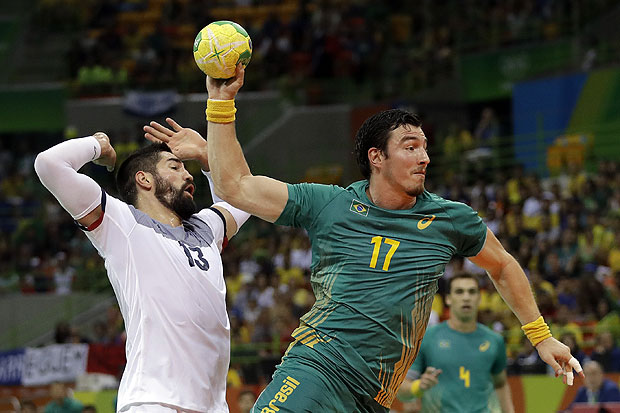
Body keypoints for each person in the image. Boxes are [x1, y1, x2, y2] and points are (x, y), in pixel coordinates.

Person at [144, 65, 583, 413]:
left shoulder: (452, 220)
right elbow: (238, 186)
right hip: (319, 368)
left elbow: (502, 264)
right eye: (410, 146)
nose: (424, 156)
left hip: (375, 398)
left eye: (425, 146)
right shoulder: (328, 204)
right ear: (377, 157)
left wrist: (541, 336)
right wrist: (221, 104)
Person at [34, 128, 250, 412]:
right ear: (144, 179)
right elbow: (49, 165)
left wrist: (208, 155)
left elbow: (245, 196)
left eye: (187, 167)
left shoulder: (205, 229)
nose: (188, 175)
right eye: (175, 166)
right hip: (153, 400)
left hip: (211, 406)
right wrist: (99, 145)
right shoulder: (122, 224)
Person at [397, 274, 514, 412]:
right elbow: (401, 390)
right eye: (459, 292)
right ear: (448, 299)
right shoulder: (427, 338)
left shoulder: (495, 340)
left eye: (472, 292)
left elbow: (500, 385)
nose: (466, 297)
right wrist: (418, 387)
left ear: (479, 298)